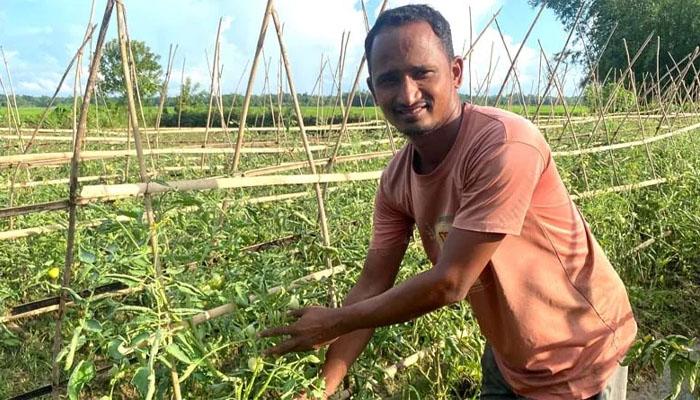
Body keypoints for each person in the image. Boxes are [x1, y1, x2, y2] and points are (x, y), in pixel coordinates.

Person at [259, 4, 637, 399]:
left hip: (581, 350)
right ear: (373, 90)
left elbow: (451, 282)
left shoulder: (505, 144)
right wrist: (319, 390)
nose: (407, 94)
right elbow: (372, 284)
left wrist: (335, 321)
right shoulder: (396, 181)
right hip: (510, 354)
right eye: (389, 79)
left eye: (422, 73)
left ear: (455, 72)